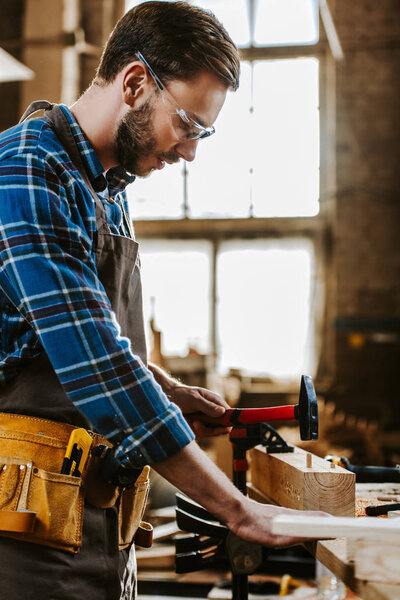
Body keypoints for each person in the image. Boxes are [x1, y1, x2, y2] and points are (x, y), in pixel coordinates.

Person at [0, 2, 325, 599]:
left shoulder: (108, 187)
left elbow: (62, 334)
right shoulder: (26, 172)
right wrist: (237, 510)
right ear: (134, 83)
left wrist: (169, 390)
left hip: (105, 530)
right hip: (26, 541)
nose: (191, 151)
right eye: (188, 125)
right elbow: (99, 368)